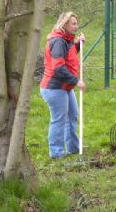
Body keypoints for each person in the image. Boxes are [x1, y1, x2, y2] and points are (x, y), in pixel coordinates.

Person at [40, 11, 86, 159]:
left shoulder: (67, 39)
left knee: (72, 116)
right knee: (59, 119)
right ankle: (56, 152)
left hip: (65, 86)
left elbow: (70, 55)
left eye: (76, 23)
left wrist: (78, 44)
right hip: (54, 87)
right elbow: (58, 67)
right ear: (64, 24)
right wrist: (76, 81)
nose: (76, 26)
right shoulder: (58, 41)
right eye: (73, 23)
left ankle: (73, 147)